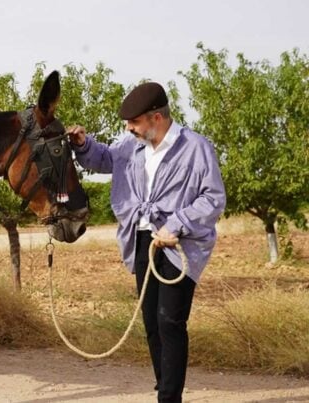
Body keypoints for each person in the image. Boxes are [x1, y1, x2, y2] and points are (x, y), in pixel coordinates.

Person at [67, 82, 226, 403]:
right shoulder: (131, 145)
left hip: (179, 243)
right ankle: (164, 388)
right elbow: (105, 160)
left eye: (134, 122)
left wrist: (177, 224)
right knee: (152, 322)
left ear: (156, 118)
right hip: (141, 240)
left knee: (170, 321)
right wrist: (84, 145)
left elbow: (214, 198)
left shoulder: (196, 148)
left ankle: (169, 398)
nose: (129, 129)